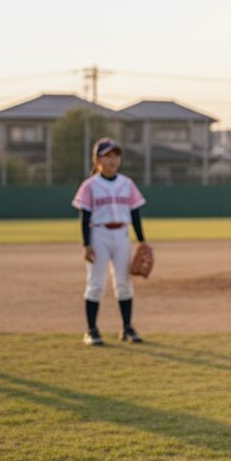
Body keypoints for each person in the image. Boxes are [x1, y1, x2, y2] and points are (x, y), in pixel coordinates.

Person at [72, 138, 148, 346]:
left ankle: (127, 327)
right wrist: (86, 244)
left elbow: (135, 213)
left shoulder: (127, 183)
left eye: (116, 155)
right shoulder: (90, 185)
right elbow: (85, 217)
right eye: (107, 156)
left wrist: (142, 240)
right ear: (97, 160)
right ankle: (91, 329)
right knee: (96, 283)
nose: (113, 160)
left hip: (122, 235)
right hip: (99, 235)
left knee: (124, 283)